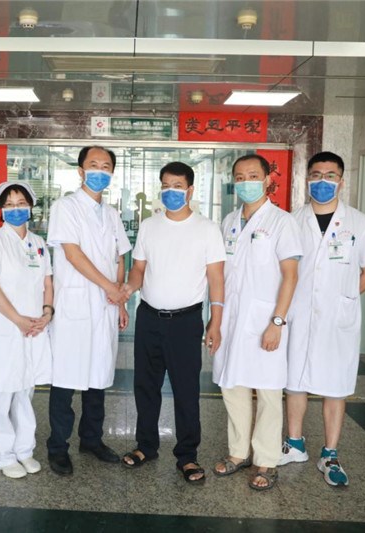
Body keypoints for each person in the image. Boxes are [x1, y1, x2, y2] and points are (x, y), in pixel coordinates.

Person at [279, 151, 365, 487]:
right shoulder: (292, 221)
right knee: (294, 381)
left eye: (330, 175)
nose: (322, 181)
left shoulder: (359, 223)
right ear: (307, 179)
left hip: (338, 318)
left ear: (341, 180)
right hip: (298, 314)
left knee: (335, 386)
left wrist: (345, 298)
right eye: (316, 175)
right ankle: (294, 444)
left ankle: (330, 454)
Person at [120, 162, 225, 484]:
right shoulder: (149, 226)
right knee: (146, 386)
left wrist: (215, 321)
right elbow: (139, 268)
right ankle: (146, 446)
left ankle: (187, 456)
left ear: (190, 190)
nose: (171, 191)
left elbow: (216, 279)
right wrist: (129, 287)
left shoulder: (207, 229)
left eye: (177, 186)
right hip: (149, 317)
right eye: (165, 185)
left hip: (186, 321)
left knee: (186, 389)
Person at [212, 154, 302, 491]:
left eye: (253, 175)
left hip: (266, 319)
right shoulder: (228, 222)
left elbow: (290, 276)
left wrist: (277, 321)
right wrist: (214, 320)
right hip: (231, 319)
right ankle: (238, 453)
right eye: (239, 177)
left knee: (268, 391)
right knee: (232, 386)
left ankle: (266, 460)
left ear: (267, 180)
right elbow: (220, 275)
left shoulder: (282, 222)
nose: (246, 182)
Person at [45, 145, 132, 476]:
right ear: (80, 171)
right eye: (93, 165)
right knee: (66, 379)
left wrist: (120, 299)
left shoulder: (111, 213)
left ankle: (91, 440)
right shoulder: (65, 207)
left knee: (98, 376)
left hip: (106, 306)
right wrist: (110, 287)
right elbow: (72, 254)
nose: (99, 171)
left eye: (106, 166)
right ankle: (58, 446)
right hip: (75, 304)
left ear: (112, 173)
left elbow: (120, 256)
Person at [0, 182, 53, 479]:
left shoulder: (38, 242)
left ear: (31, 206)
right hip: (5, 327)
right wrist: (18, 319)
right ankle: (4, 454)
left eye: (21, 203)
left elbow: (47, 282)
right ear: (1, 209)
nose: (16, 209)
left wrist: (47, 313)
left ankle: (24, 450)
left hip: (33, 327)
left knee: (24, 390)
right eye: (9, 204)